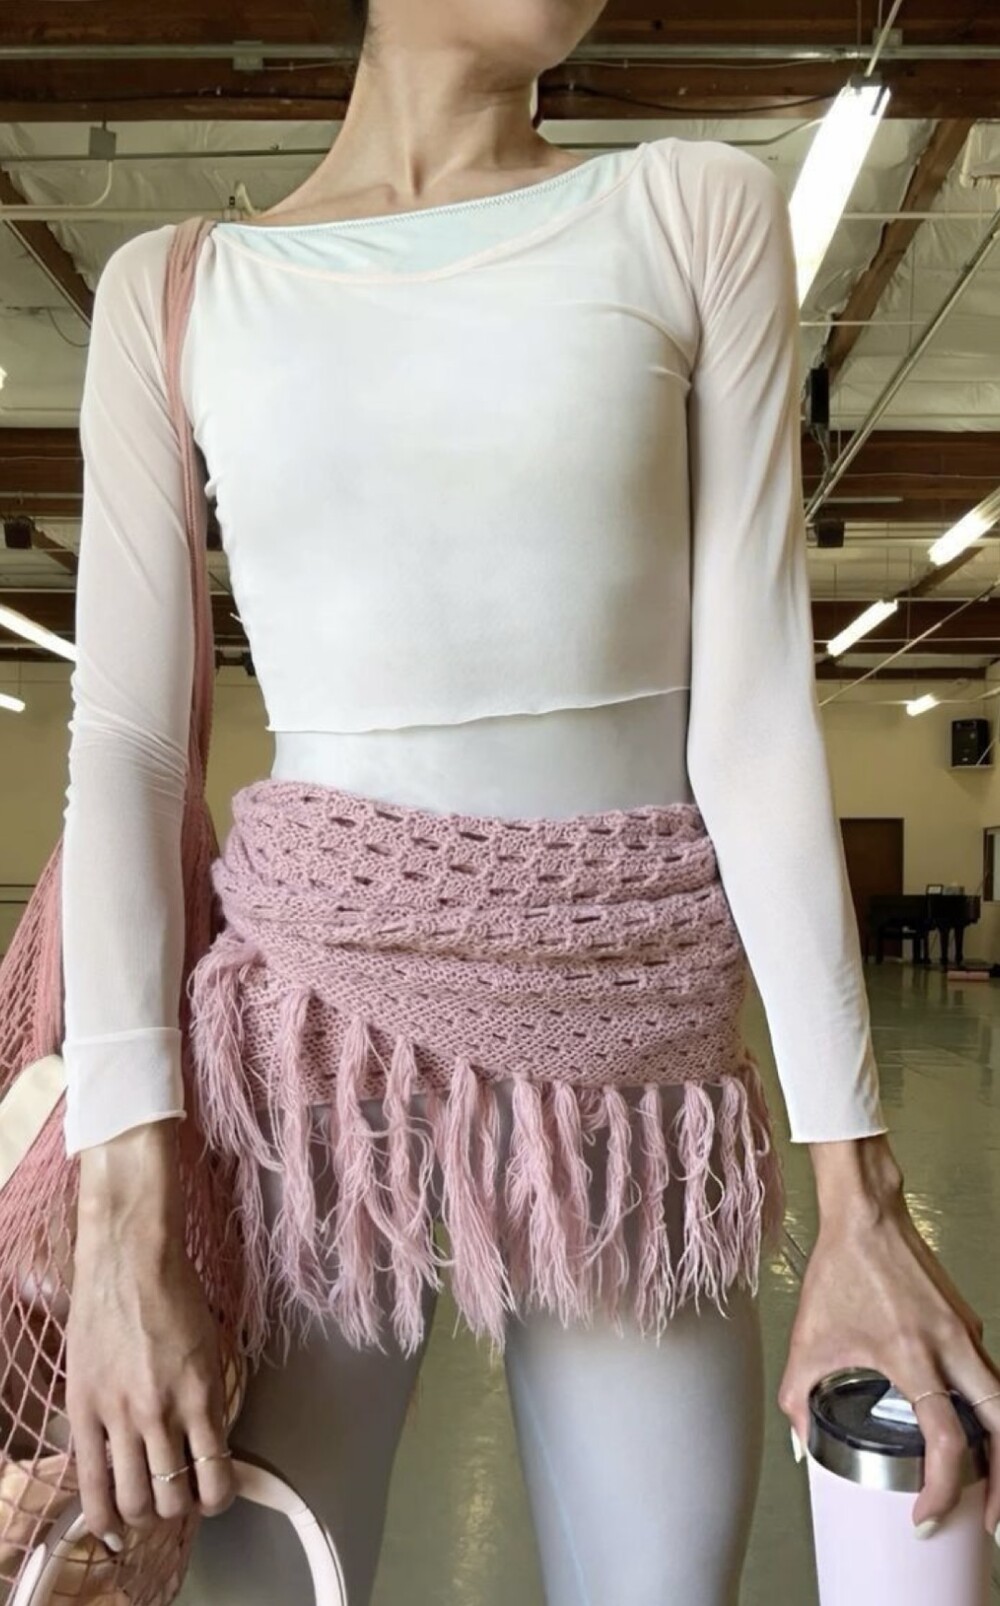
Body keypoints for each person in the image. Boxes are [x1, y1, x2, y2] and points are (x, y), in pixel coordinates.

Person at [60, 2, 1000, 1603]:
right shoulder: (180, 289)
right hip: (310, 1070)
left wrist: (858, 1196)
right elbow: (131, 748)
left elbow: (756, 723)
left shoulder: (689, 209)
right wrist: (119, 1214)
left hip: (632, 1071)